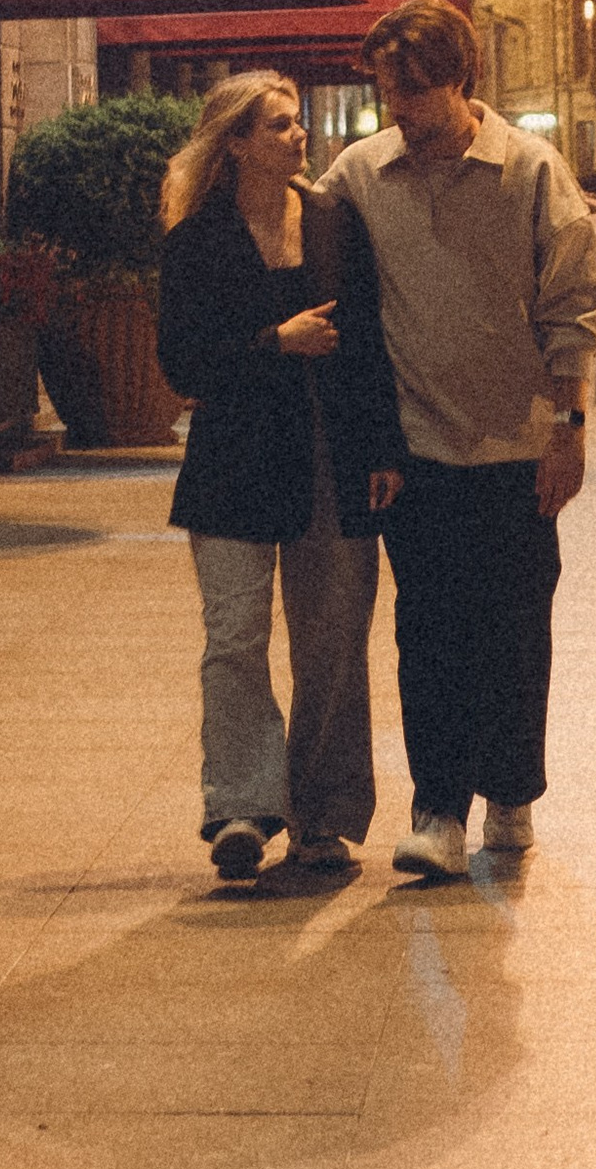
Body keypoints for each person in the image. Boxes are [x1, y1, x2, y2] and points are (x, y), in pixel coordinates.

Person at [321, 0, 596, 884]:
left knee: (517, 628)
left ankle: (511, 789)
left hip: (519, 446)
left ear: (462, 80)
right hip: (417, 447)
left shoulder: (529, 170)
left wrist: (570, 430)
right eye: (386, 90)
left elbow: (577, 305)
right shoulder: (361, 175)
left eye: (415, 91)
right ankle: (437, 808)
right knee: (427, 632)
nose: (399, 109)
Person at [155, 72, 408, 883]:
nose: (298, 137)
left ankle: (323, 818)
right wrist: (276, 341)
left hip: (331, 457)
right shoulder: (196, 238)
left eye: (297, 124)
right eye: (278, 126)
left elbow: (368, 345)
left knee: (332, 641)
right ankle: (238, 806)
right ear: (235, 143)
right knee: (233, 639)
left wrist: (382, 454)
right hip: (232, 463)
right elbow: (180, 363)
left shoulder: (335, 223)